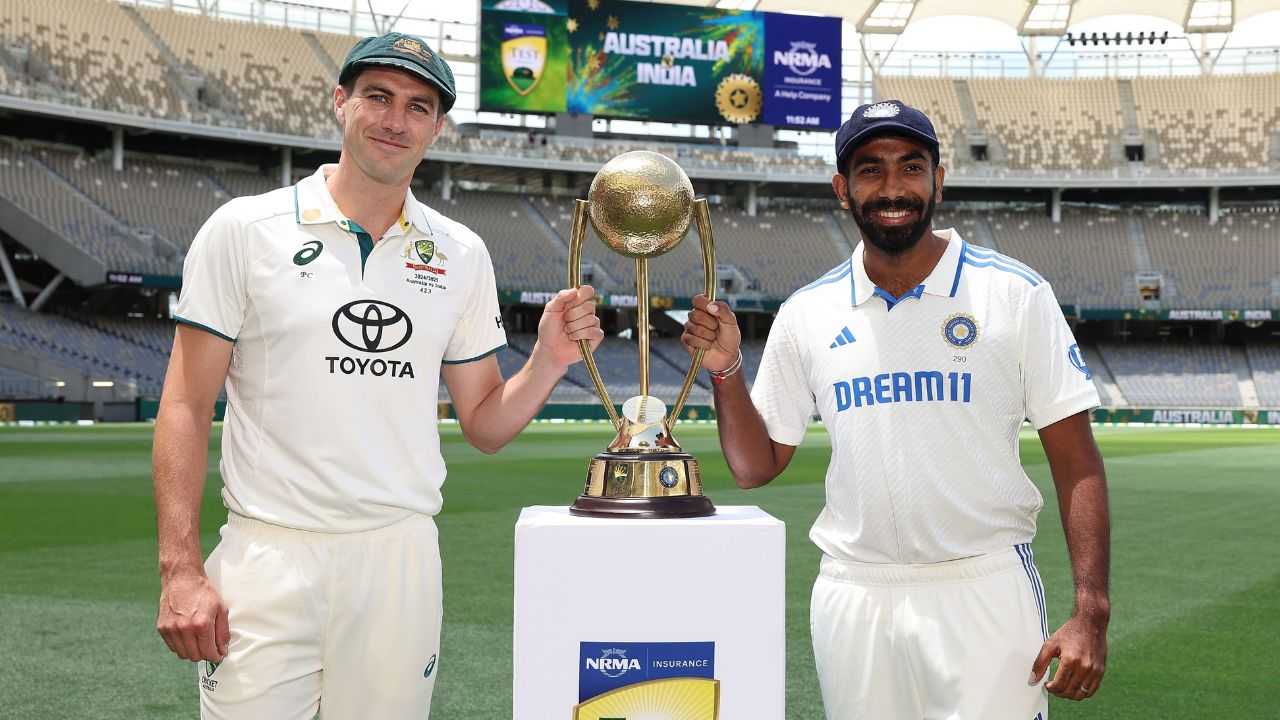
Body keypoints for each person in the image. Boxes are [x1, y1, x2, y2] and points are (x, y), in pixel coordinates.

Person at [152, 32, 602, 719]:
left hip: (400, 557)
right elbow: (185, 401)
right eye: (378, 97)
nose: (396, 120)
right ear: (341, 103)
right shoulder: (245, 229)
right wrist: (180, 569)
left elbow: (483, 422)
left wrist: (547, 362)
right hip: (270, 552)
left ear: (437, 127)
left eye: (419, 107)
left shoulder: (460, 253)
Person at [682, 100, 1109, 719]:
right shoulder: (809, 311)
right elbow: (755, 465)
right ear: (842, 188)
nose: (892, 188)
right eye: (870, 170)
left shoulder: (1013, 293)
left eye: (911, 167)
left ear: (938, 179)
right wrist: (725, 371)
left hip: (983, 584)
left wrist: (1090, 610)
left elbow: (1078, 462)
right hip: (854, 592)